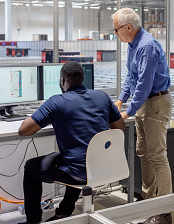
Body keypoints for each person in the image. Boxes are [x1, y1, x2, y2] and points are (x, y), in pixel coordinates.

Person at [18, 61, 125, 224]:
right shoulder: (102, 97)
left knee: (31, 167)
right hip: (105, 167)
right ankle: (63, 213)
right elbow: (120, 127)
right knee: (72, 158)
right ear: (83, 78)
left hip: (79, 172)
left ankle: (33, 221)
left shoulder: (56, 102)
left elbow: (24, 130)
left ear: (62, 81)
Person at [112, 8, 173, 224]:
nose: (115, 34)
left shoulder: (146, 46)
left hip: (155, 102)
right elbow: (131, 74)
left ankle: (164, 211)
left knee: (156, 155)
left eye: (116, 30)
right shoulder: (133, 45)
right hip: (145, 103)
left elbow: (144, 83)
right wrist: (120, 99)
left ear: (128, 27)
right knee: (143, 152)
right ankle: (150, 202)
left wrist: (128, 111)